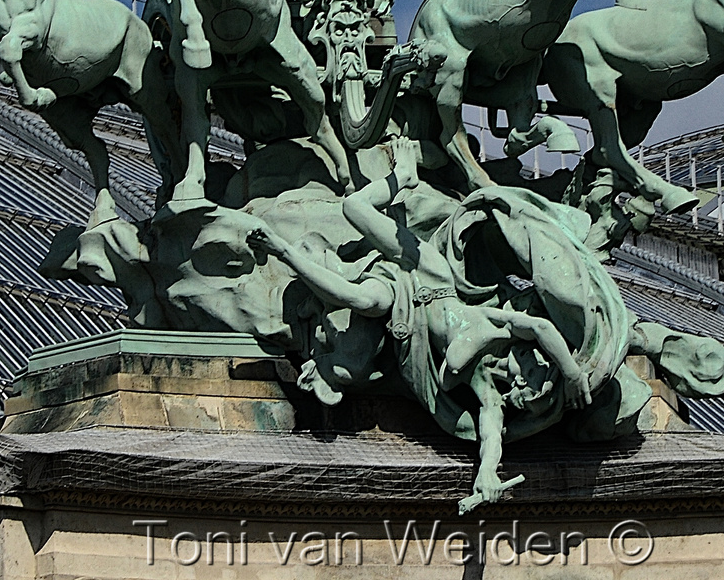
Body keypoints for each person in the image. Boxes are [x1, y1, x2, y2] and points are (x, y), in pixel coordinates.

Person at [246, 137, 590, 511]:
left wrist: (487, 473)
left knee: (364, 300)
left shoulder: (483, 382)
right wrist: (572, 374)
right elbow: (542, 329)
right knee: (353, 208)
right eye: (534, 377)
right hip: (428, 276)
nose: (520, 380)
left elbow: (492, 431)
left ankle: (288, 253)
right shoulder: (497, 329)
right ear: (539, 363)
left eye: (522, 390)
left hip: (405, 316)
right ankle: (401, 178)